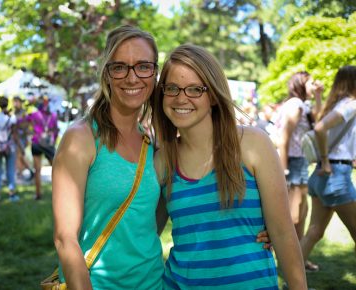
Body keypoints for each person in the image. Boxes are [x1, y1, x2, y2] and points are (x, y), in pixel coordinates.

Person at [51, 26, 270, 289]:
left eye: (143, 66)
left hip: (155, 283)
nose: (132, 78)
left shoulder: (152, 143)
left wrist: (259, 227)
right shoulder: (81, 138)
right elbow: (65, 239)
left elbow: (153, 221)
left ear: (154, 74)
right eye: (120, 67)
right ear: (106, 74)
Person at [152, 44, 307, 289]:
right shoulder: (162, 161)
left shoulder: (254, 144)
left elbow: (284, 234)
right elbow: (146, 235)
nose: (181, 98)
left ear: (213, 95)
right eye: (171, 88)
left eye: (195, 89)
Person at [300, 65, 356, 269]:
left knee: (315, 231)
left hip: (322, 177)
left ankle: (292, 279)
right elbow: (321, 128)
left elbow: (321, 124)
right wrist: (324, 159)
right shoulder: (351, 104)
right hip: (334, 175)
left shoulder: (338, 104)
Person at [274, 71, 323, 272]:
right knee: (294, 217)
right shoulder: (295, 105)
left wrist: (318, 95)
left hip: (298, 162)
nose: (315, 85)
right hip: (292, 164)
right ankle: (288, 263)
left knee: (302, 214)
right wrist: (283, 171)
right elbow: (283, 138)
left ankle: (299, 259)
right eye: (311, 83)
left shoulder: (300, 104)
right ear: (301, 84)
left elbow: (318, 119)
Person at [20, 95, 58, 200]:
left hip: (36, 142)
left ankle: (38, 194)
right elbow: (56, 130)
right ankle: (58, 193)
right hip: (48, 145)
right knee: (56, 169)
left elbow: (21, 122)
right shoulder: (53, 115)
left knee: (37, 170)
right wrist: (53, 140)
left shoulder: (34, 114)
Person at [12, 95, 34, 181]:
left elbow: (29, 125)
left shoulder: (24, 113)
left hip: (22, 137)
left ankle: (29, 171)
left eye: (16, 101)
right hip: (15, 137)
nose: (15, 103)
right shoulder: (13, 113)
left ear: (20, 102)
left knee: (20, 154)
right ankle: (22, 172)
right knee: (18, 155)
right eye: (14, 101)